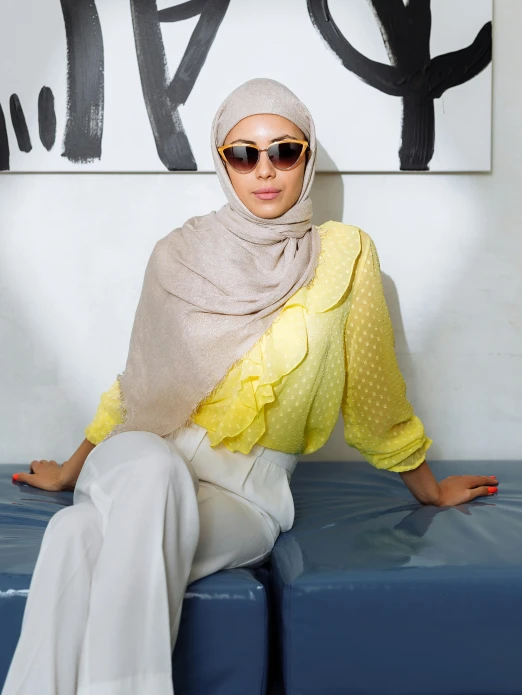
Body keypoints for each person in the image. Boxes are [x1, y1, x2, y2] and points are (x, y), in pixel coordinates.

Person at [3, 79, 499, 695]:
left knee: (75, 535)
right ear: (223, 164)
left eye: (284, 151)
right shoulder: (179, 255)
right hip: (140, 458)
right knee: (151, 472)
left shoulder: (344, 255)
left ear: (306, 158)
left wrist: (427, 489)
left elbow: (375, 394)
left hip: (248, 495)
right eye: (243, 154)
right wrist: (71, 470)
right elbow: (138, 385)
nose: (264, 171)